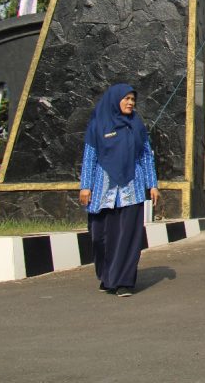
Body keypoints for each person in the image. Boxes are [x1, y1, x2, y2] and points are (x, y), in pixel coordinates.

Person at [79, 83, 159, 297]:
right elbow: (89, 157)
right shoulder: (98, 125)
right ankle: (107, 276)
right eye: (127, 99)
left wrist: (152, 185)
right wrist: (85, 186)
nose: (131, 103)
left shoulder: (137, 125)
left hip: (131, 189)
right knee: (99, 237)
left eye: (133, 100)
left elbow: (146, 155)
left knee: (128, 237)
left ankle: (124, 281)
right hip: (103, 190)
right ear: (115, 99)